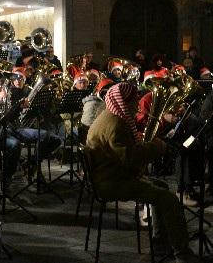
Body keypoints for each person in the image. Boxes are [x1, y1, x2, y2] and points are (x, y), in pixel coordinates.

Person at [86, 83, 200, 262]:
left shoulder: (108, 116)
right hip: (113, 182)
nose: (138, 105)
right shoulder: (116, 124)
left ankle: (160, 243)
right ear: (123, 102)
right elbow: (130, 158)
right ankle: (182, 254)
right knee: (168, 199)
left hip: (110, 175)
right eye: (133, 102)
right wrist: (156, 146)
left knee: (161, 186)